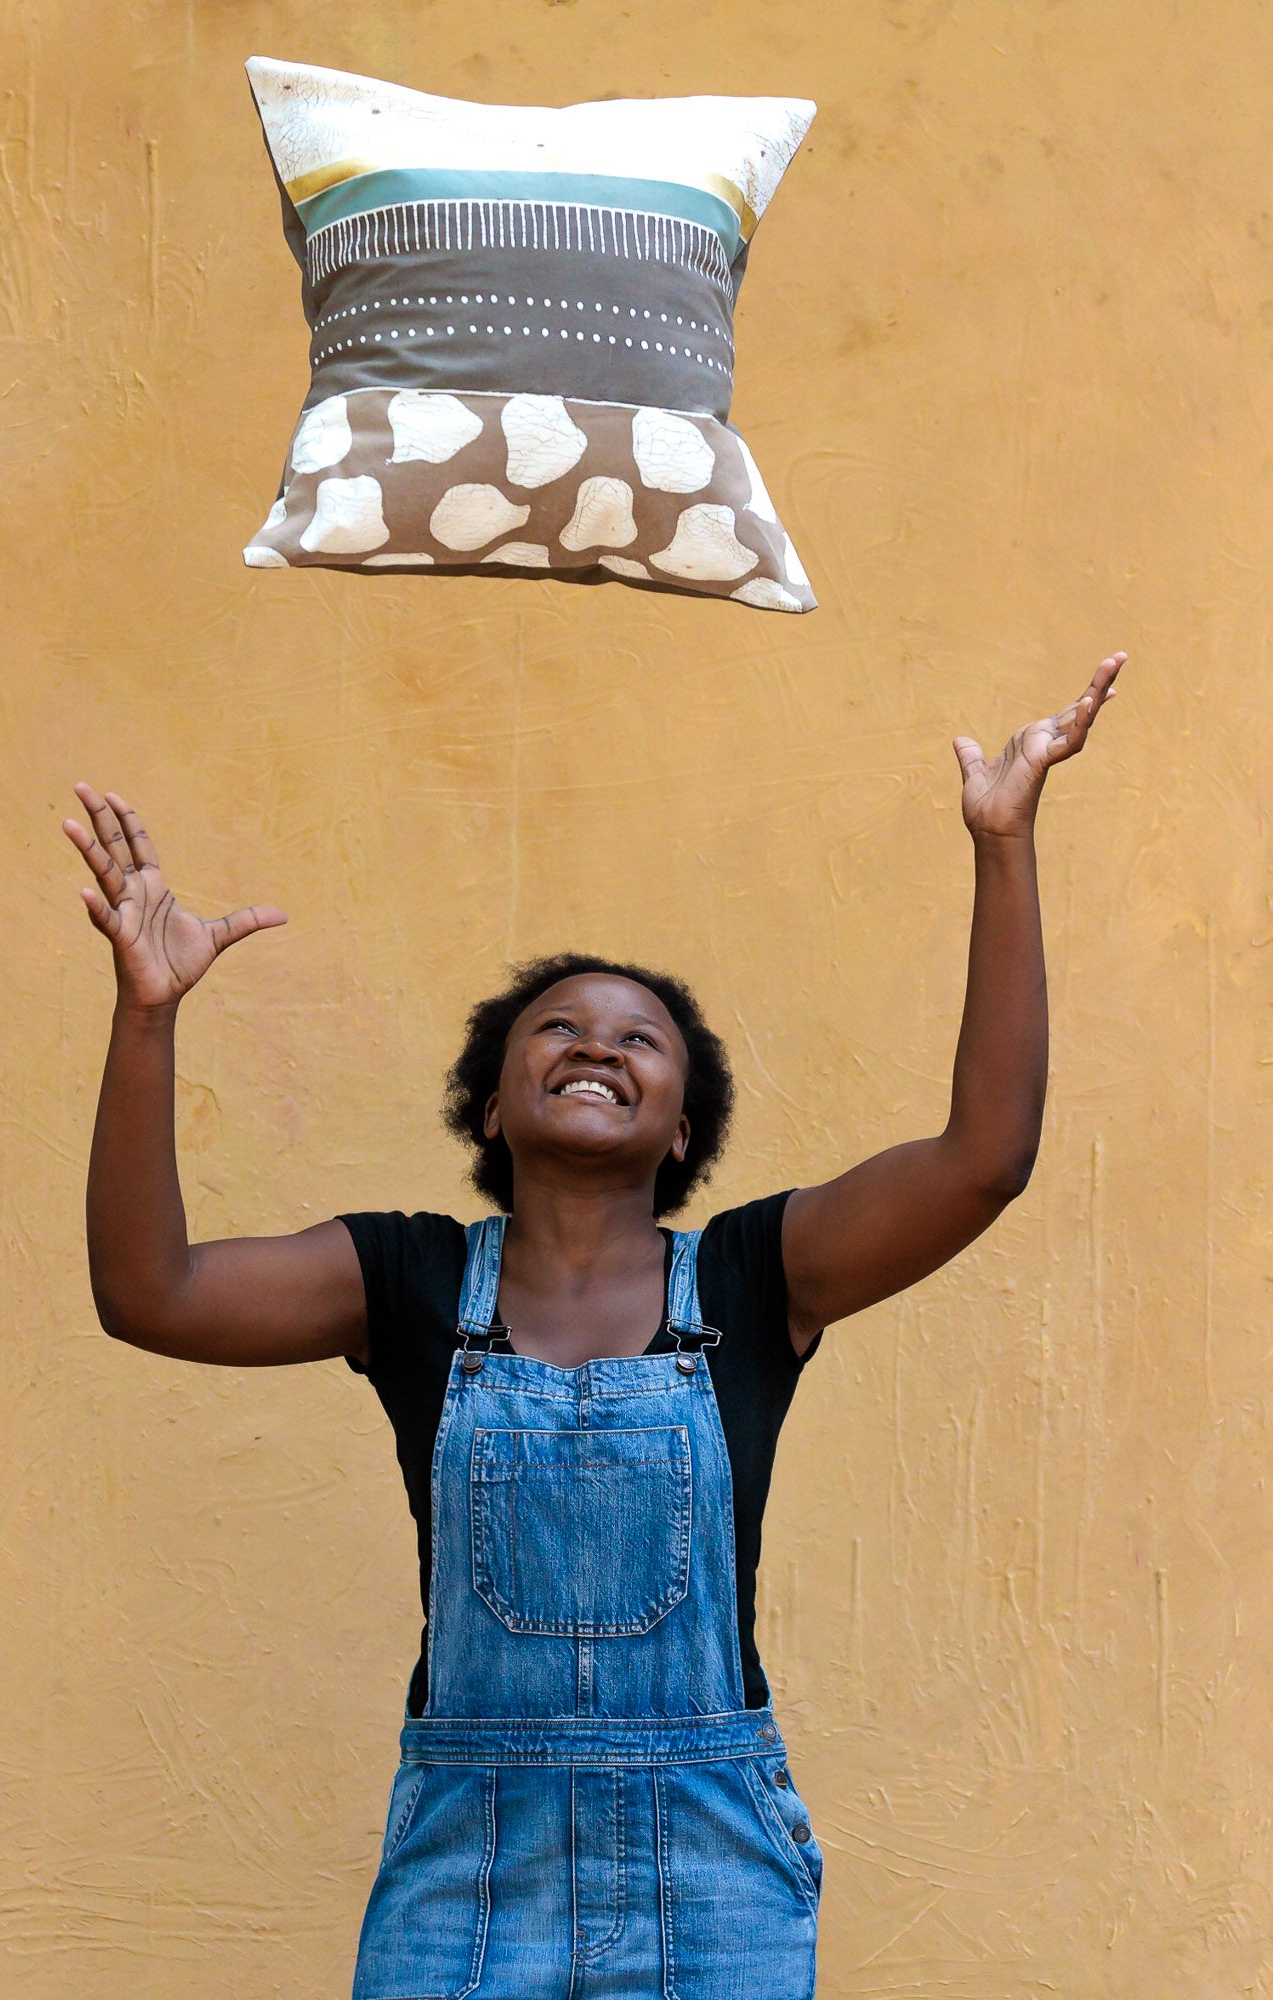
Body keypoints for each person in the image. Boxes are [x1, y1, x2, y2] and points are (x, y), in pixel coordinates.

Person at [61, 652, 1123, 2000]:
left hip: (710, 1867)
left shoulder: (751, 1280)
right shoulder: (407, 1282)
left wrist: (1001, 843)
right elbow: (147, 1293)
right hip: (465, 1875)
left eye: (641, 1038)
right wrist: (146, 1017)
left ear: (682, 1126)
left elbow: (985, 1157)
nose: (597, 1043)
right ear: (491, 1106)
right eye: (555, 1026)